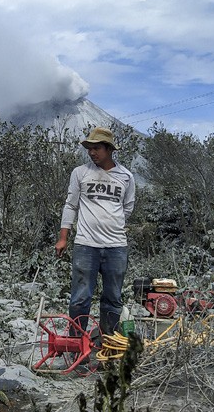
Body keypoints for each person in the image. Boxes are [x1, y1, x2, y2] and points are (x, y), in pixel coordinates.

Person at [55, 127, 135, 335]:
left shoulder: (126, 176)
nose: (92, 152)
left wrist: (111, 224)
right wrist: (63, 238)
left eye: (96, 148)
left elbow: (127, 207)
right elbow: (70, 205)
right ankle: (76, 345)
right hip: (85, 245)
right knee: (80, 297)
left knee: (112, 298)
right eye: (89, 148)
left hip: (116, 247)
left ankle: (108, 344)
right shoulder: (80, 173)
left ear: (109, 149)